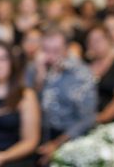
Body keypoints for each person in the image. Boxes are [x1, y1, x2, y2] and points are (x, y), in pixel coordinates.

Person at [25, 28, 97, 166]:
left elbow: (87, 118)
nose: (50, 56)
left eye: (56, 51)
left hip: (69, 138)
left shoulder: (81, 73)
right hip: (36, 135)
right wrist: (39, 76)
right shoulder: (34, 68)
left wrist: (57, 145)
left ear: (66, 49)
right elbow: (25, 105)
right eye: (46, 50)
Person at [85, 26, 114, 123]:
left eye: (99, 39)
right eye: (91, 41)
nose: (96, 44)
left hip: (113, 121)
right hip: (87, 119)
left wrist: (101, 118)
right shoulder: (84, 66)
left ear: (108, 40)